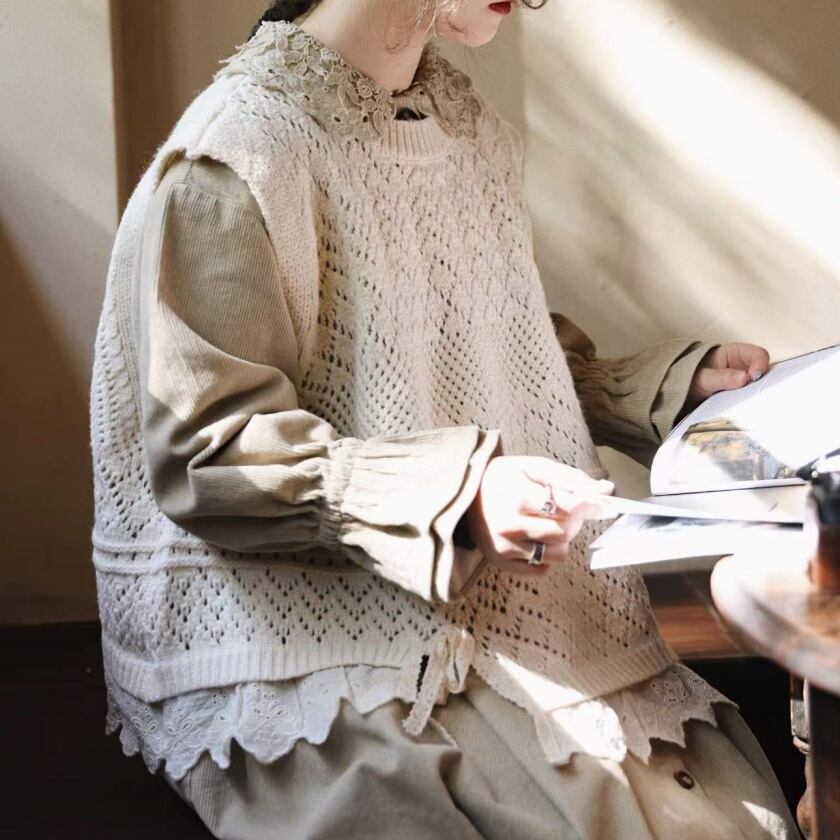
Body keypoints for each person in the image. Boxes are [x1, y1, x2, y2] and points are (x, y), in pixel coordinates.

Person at [89, 0, 798, 837]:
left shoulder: (464, 128)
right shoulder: (241, 152)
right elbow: (210, 453)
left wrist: (657, 391)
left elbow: (484, 350)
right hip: (286, 633)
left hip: (510, 603)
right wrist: (460, 498)